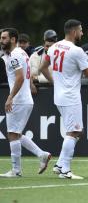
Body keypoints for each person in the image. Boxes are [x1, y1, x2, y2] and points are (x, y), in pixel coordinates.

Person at [40, 19, 88, 179]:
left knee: (75, 131)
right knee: (73, 132)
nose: (82, 33)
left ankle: (60, 164)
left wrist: (56, 82)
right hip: (70, 96)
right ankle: (65, 169)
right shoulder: (76, 51)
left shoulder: (54, 47)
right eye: (81, 30)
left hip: (59, 95)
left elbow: (42, 68)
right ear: (74, 32)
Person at [0, 28, 51, 178]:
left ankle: (16, 170)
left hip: (19, 100)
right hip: (24, 99)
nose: (1, 40)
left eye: (4, 38)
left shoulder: (15, 55)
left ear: (13, 39)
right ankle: (42, 154)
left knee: (12, 134)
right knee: (16, 133)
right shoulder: (21, 53)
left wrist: (10, 97)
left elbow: (20, 77)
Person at [29, 29, 57, 94]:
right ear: (43, 45)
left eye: (51, 46)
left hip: (54, 90)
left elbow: (55, 78)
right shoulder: (35, 55)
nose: (49, 48)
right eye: (47, 46)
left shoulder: (61, 56)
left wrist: (37, 79)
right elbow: (30, 74)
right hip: (35, 91)